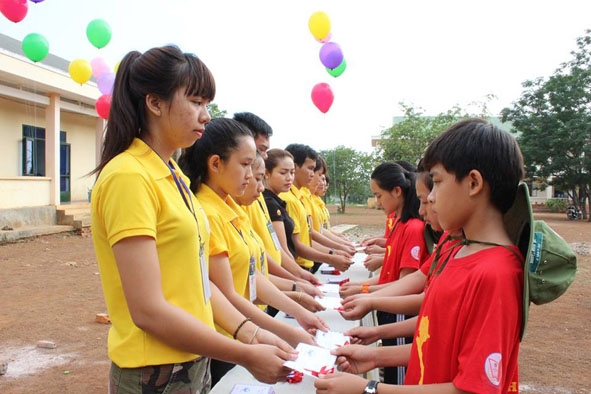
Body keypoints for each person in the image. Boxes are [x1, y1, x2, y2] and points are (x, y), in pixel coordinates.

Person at [90, 45, 295, 393]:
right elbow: (148, 310)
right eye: (196, 102)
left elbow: (201, 283)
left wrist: (253, 334)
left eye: (207, 104)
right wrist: (245, 353)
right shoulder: (129, 177)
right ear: (155, 103)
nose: (206, 115)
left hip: (191, 360)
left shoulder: (174, 178)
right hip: (152, 372)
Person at [315, 118, 524, 393]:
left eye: (436, 182)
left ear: (473, 183)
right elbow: (433, 339)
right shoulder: (456, 246)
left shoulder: (497, 273)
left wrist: (369, 389)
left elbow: (472, 389)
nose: (431, 198)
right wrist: (375, 354)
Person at [178, 118, 328, 385]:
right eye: (246, 165)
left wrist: (299, 305)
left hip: (244, 329)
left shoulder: (232, 208)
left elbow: (253, 274)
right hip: (225, 338)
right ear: (215, 164)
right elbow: (226, 293)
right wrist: (276, 331)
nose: (251, 177)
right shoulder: (207, 213)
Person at [340, 162, 427, 385]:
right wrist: (366, 293)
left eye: (379, 195)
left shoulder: (414, 228)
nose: (377, 202)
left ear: (397, 191)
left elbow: (408, 281)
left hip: (398, 308)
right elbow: (392, 274)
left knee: (397, 377)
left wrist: (365, 291)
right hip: (387, 303)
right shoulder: (400, 224)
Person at [281, 143, 354, 272]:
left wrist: (337, 248)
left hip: (304, 264)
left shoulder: (300, 198)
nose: (320, 179)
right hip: (297, 267)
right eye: (311, 169)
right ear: (295, 166)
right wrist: (333, 253)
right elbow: (298, 244)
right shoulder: (289, 199)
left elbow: (311, 233)